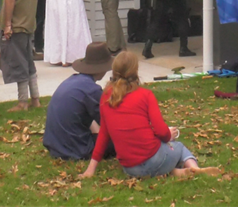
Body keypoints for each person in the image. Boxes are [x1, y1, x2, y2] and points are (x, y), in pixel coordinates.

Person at [81, 52, 219, 179]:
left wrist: (91, 169)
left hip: (131, 169)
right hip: (155, 158)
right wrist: (168, 135)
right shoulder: (145, 95)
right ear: (135, 71)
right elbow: (160, 131)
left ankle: (177, 172)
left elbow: (104, 134)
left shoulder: (106, 96)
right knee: (179, 147)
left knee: (155, 163)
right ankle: (194, 168)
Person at [44, 42, 113, 160]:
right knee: (118, 143)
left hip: (54, 146)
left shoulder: (72, 81)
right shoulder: (92, 90)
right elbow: (111, 123)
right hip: (77, 149)